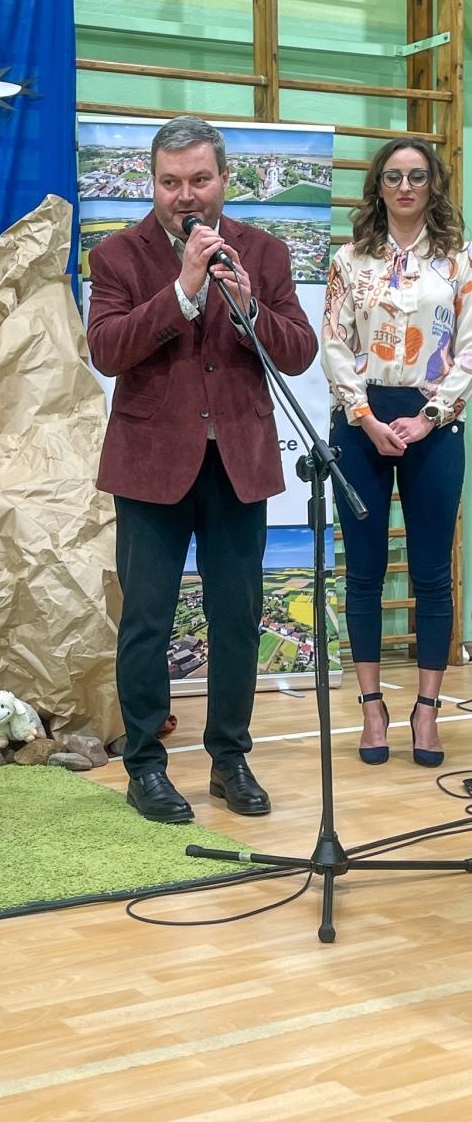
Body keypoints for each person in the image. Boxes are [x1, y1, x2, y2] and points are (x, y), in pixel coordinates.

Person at [86, 116, 317, 822]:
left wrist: (247, 303)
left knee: (239, 618)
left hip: (239, 463)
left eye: (199, 180)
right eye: (170, 182)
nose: (185, 196)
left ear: (224, 179)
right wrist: (183, 292)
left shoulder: (264, 253)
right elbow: (106, 349)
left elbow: (299, 350)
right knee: (148, 621)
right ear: (150, 183)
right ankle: (146, 768)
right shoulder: (119, 257)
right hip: (151, 464)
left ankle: (229, 758)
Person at [321, 137, 472, 768]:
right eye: (392, 177)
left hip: (434, 422)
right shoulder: (348, 261)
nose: (405, 186)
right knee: (363, 570)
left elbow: (468, 348)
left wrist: (430, 416)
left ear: (433, 185)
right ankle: (373, 707)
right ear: (377, 188)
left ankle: (427, 710)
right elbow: (332, 341)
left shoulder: (461, 263)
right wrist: (364, 415)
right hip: (360, 422)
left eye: (416, 176)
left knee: (435, 572)